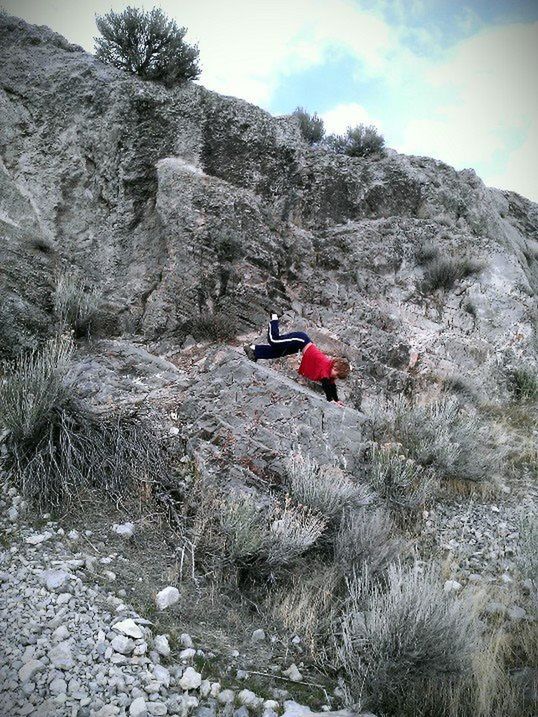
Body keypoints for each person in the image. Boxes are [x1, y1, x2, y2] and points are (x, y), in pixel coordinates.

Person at [243, 314, 350, 404]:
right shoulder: (325, 365)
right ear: (335, 367)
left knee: (277, 353)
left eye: (337, 377)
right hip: (301, 340)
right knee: (274, 341)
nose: (334, 377)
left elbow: (331, 386)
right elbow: (326, 385)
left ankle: (254, 350)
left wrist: (336, 400)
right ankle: (274, 318)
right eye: (336, 374)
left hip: (299, 346)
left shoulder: (329, 372)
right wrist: (330, 401)